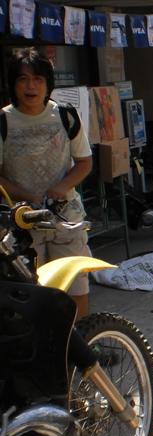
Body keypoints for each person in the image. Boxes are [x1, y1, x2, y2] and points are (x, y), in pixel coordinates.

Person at [0, 48, 93, 318]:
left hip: (65, 219)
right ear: (13, 84)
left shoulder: (66, 115)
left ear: (48, 84)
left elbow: (85, 162)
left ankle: (82, 341)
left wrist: (61, 187)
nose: (31, 86)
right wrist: (25, 195)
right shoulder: (3, 121)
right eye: (23, 79)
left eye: (38, 79)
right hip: (22, 225)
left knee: (76, 290)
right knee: (29, 298)